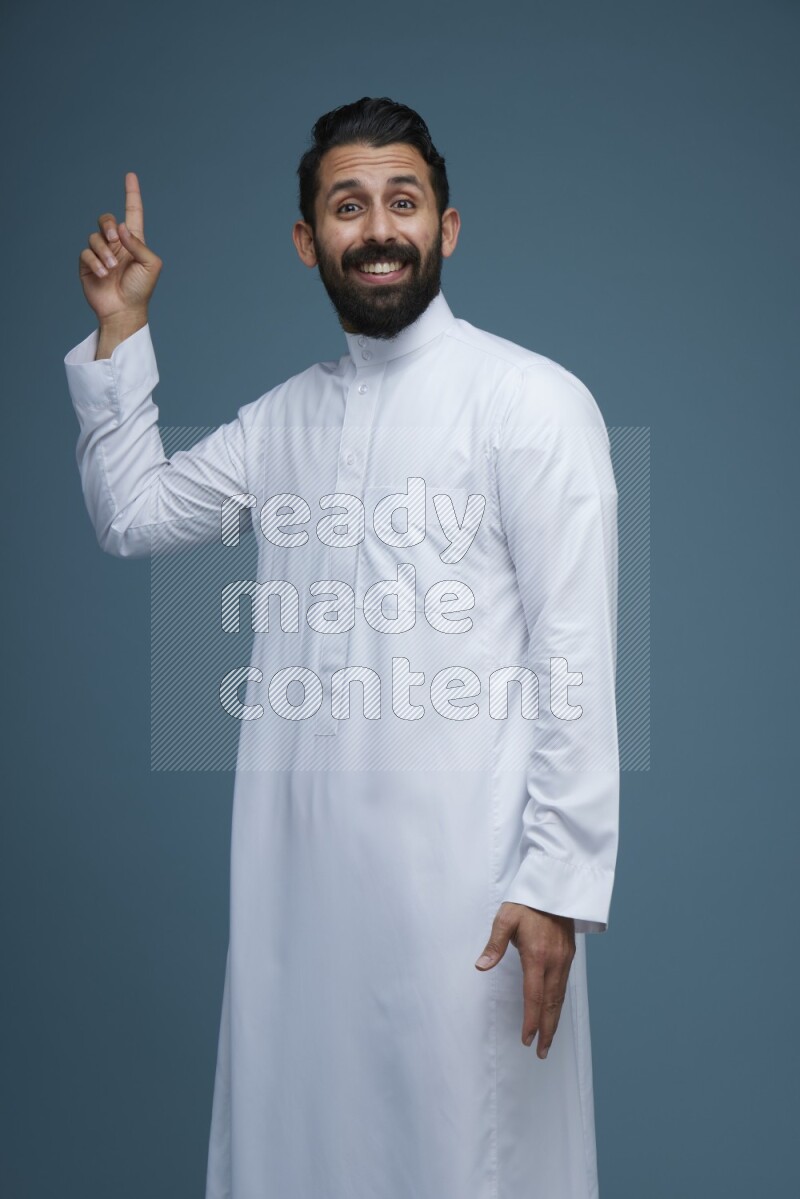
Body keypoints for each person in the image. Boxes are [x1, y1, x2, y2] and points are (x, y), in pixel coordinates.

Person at [64, 96, 619, 1199]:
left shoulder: (531, 402)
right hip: (296, 894)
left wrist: (556, 880)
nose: (377, 229)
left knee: (469, 1157)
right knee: (298, 1152)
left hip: (467, 895)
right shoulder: (281, 422)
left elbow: (574, 654)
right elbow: (131, 513)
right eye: (347, 205)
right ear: (306, 239)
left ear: (445, 228)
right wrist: (121, 329)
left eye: (401, 202)